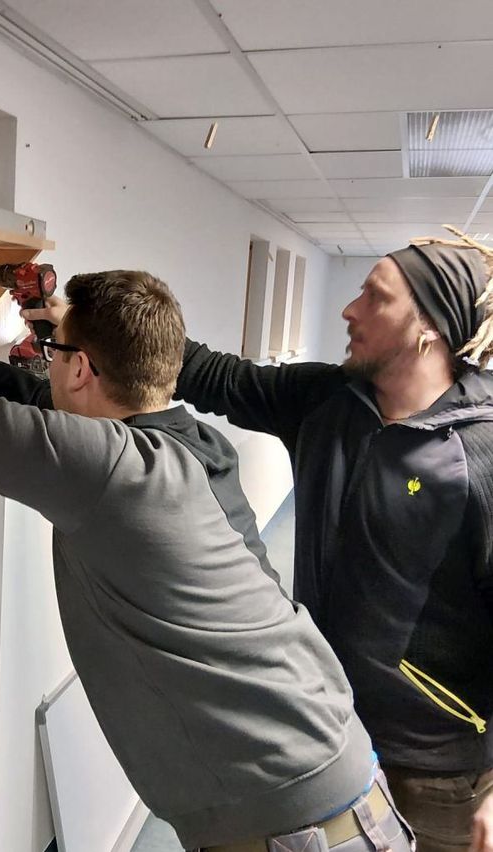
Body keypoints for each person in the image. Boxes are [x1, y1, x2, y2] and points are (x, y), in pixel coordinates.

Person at [0, 259, 412, 852]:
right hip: (337, 772)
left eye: (55, 353)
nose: (47, 365)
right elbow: (30, 402)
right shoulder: (193, 445)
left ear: (79, 369)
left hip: (297, 820)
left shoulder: (116, 470)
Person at [69, 231, 490, 852]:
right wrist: (84, 327)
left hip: (437, 773)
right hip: (323, 734)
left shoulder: (480, 456)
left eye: (375, 297)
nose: (349, 309)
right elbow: (211, 374)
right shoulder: (329, 401)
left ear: (428, 328)